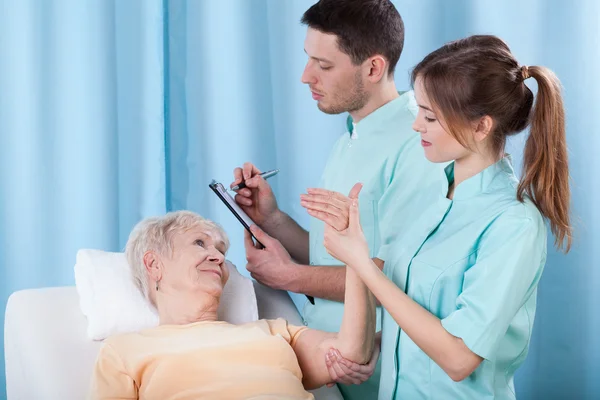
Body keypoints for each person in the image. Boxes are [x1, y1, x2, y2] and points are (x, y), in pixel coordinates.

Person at [305, 34, 572, 399]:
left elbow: (459, 357)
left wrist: (362, 264)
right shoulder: (431, 194)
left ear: (481, 126)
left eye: (429, 116)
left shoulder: (514, 224)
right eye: (419, 112)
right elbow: (420, 312)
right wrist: (373, 348)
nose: (416, 126)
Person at [232, 2, 447, 397]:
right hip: (337, 366)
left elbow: (401, 276)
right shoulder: (354, 134)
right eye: (307, 60)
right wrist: (273, 219)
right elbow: (338, 252)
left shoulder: (421, 142)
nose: (305, 76)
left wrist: (290, 277)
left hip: (389, 374)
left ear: (373, 68)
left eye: (324, 65)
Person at [88, 210, 377, 399]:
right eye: (200, 243)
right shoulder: (124, 350)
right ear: (153, 264)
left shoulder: (274, 332)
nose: (218, 257)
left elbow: (351, 352)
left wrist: (354, 255)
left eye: (221, 250)